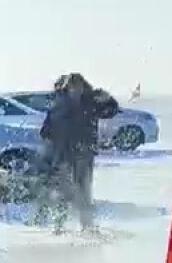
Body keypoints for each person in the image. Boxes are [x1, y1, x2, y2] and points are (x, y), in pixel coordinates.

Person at [41, 73, 119, 234]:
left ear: (83, 87)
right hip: (63, 151)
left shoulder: (90, 101)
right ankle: (59, 225)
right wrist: (49, 140)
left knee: (83, 188)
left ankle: (87, 225)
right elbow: (47, 127)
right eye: (71, 87)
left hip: (83, 151)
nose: (74, 90)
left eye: (77, 87)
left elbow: (110, 111)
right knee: (63, 190)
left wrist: (109, 100)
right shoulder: (59, 102)